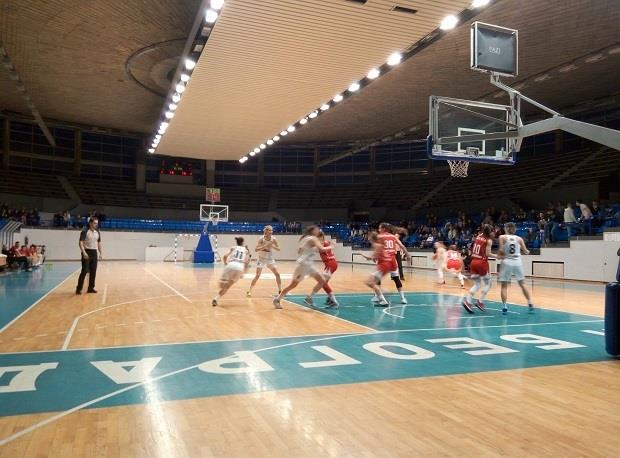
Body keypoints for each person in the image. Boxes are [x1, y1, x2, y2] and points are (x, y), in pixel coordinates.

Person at [273, 225, 330, 310]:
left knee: (322, 281)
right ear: (313, 231)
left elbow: (300, 250)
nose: (318, 230)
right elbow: (321, 249)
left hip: (309, 264)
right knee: (293, 285)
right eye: (317, 229)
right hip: (303, 264)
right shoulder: (312, 238)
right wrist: (331, 246)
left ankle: (309, 298)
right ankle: (277, 299)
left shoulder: (307, 238)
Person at [364, 223, 408, 307]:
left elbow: (377, 248)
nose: (379, 230)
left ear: (383, 229)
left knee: (375, 280)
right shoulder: (393, 236)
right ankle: (403, 298)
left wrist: (372, 257)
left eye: (379, 228)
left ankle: (379, 296)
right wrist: (407, 254)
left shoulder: (379, 236)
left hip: (384, 260)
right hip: (393, 260)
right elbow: (402, 245)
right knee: (396, 279)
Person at [498, 222, 534, 315]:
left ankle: (505, 306)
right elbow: (525, 251)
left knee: (504, 286)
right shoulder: (519, 238)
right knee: (522, 284)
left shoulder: (502, 237)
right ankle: (530, 302)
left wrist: (500, 255)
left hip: (507, 261)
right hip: (517, 262)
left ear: (506, 228)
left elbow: (501, 250)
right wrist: (527, 251)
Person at [462, 224, 494, 313]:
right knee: (488, 284)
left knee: (477, 284)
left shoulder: (478, 236)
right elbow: (488, 254)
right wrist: (498, 256)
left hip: (473, 262)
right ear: (490, 232)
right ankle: (480, 301)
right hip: (481, 263)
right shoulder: (489, 240)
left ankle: (468, 301)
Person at [212, 237, 251, 306]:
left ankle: (218, 294)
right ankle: (216, 299)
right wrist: (244, 272)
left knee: (222, 285)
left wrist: (225, 263)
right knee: (228, 286)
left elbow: (225, 256)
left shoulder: (233, 247)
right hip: (240, 267)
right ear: (242, 242)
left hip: (231, 264)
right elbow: (247, 262)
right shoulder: (246, 250)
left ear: (237, 242)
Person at [247, 225, 282, 296]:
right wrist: (265, 246)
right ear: (266, 231)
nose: (271, 231)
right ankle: (249, 290)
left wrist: (272, 246)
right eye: (269, 230)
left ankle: (280, 290)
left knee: (277, 274)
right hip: (261, 259)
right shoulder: (261, 239)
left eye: (271, 230)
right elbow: (256, 249)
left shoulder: (273, 239)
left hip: (270, 259)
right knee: (257, 275)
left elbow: (279, 249)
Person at [76, 217, 102, 294]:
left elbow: (99, 243)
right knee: (84, 271)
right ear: (90, 223)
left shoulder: (97, 232)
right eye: (95, 223)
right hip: (86, 252)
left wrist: (100, 253)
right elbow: (80, 242)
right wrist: (83, 252)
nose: (96, 225)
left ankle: (91, 288)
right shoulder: (85, 231)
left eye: (97, 223)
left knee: (93, 271)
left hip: (94, 253)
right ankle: (78, 289)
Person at [318, 231, 339, 308]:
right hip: (330, 264)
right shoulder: (325, 242)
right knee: (324, 283)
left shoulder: (321, 243)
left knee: (323, 283)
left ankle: (334, 302)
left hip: (330, 263)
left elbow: (321, 249)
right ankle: (330, 298)